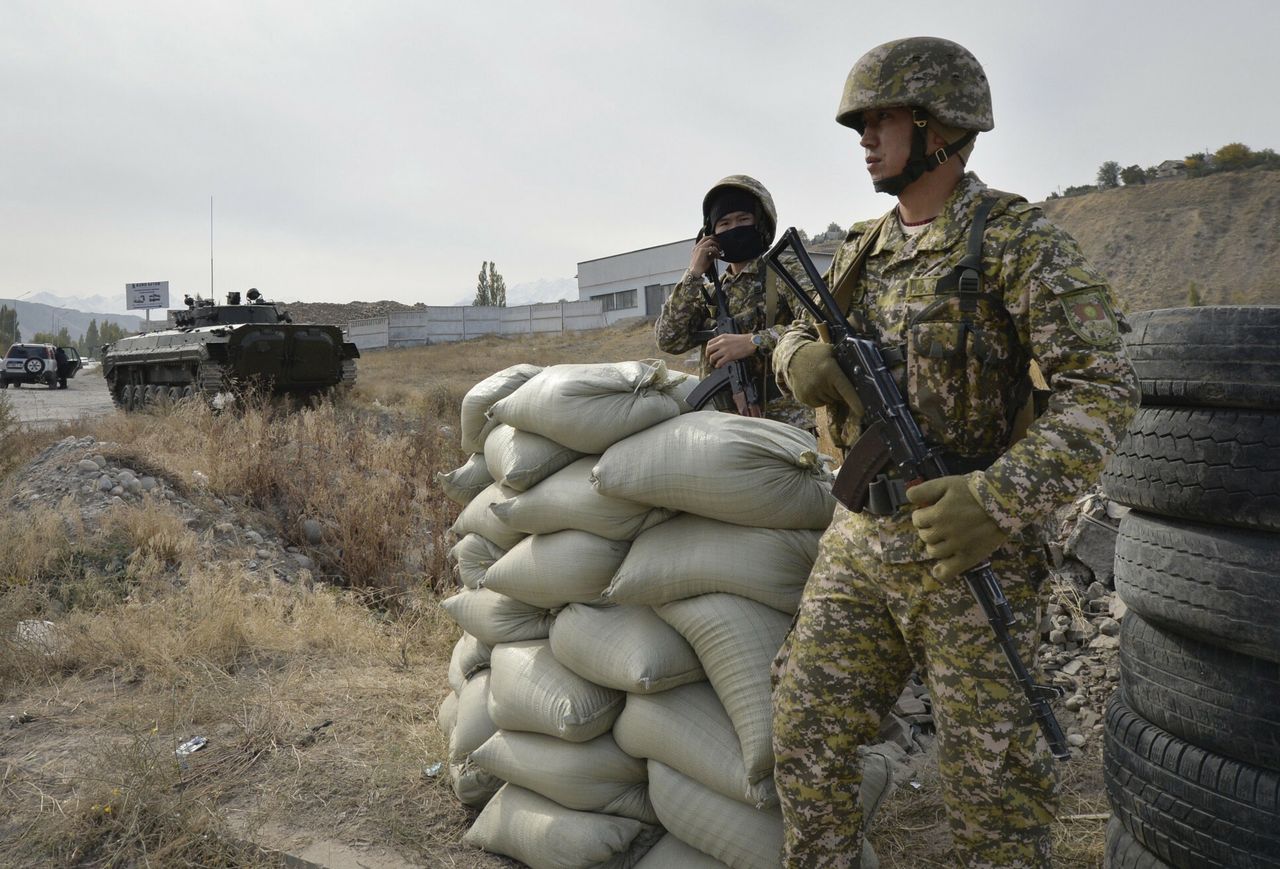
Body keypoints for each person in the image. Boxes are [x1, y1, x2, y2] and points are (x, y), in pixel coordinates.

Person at [770, 37, 1139, 868]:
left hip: (974, 561)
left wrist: (997, 499)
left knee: (992, 797)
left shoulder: (1015, 242)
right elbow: (799, 324)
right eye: (860, 121)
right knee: (804, 737)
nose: (864, 136)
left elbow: (1106, 389)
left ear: (939, 128)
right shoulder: (862, 248)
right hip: (862, 544)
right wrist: (802, 359)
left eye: (881, 118)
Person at [655, 175, 813, 429]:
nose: (734, 229)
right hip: (723, 425)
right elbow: (668, 339)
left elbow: (819, 325)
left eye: (743, 219)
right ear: (711, 235)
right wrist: (693, 273)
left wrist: (754, 341)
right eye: (724, 224)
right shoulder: (709, 291)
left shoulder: (783, 269)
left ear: (760, 223)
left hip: (784, 420)